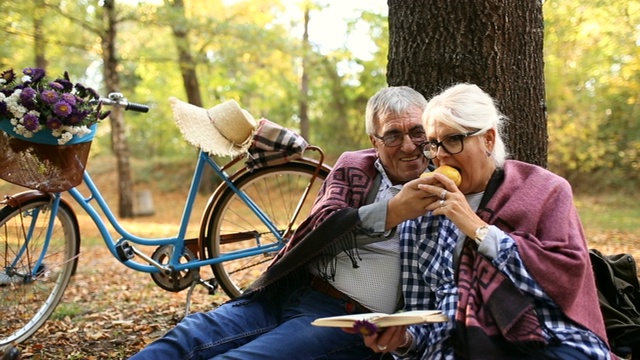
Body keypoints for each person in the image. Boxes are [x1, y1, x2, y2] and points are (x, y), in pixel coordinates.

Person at [130, 86, 437, 359]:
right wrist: (392, 211)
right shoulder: (354, 165)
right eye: (393, 135)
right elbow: (322, 224)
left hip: (347, 318)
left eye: (417, 132)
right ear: (375, 141)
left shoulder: (444, 186)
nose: (408, 145)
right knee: (188, 336)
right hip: (287, 290)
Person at [362, 83, 611, 359]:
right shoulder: (420, 214)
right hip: (453, 346)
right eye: (433, 144)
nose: (441, 154)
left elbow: (565, 281)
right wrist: (402, 340)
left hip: (548, 337)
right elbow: (422, 314)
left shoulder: (545, 190)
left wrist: (476, 227)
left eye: (453, 139)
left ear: (488, 139)